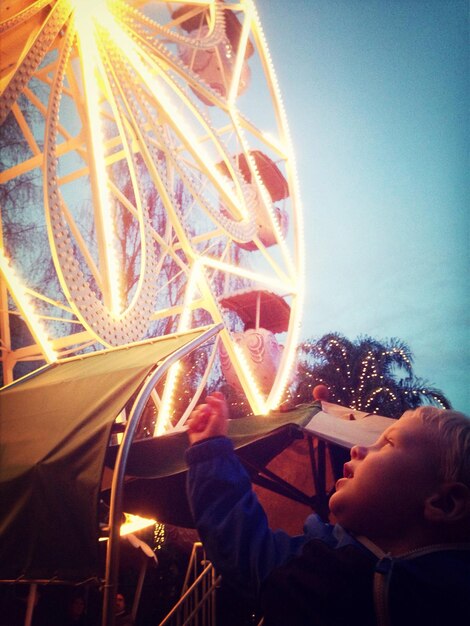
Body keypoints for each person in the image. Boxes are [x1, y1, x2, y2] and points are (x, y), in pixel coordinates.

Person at [185, 392, 470, 625]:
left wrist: (211, 451)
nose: (357, 448)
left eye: (388, 443)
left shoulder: (322, 574)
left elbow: (243, 545)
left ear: (443, 503)